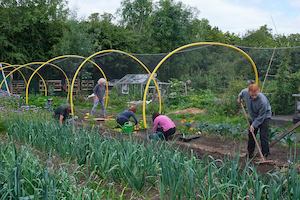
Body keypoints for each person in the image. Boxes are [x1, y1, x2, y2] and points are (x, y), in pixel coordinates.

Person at [238, 84, 272, 158]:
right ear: (249, 92)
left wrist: (253, 125)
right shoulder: (245, 92)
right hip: (253, 116)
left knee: (263, 136)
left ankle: (265, 155)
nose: (254, 97)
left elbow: (261, 116)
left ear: (258, 91)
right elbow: (241, 93)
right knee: (251, 134)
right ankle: (250, 154)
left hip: (264, 117)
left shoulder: (262, 101)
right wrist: (239, 98)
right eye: (252, 95)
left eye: (255, 95)